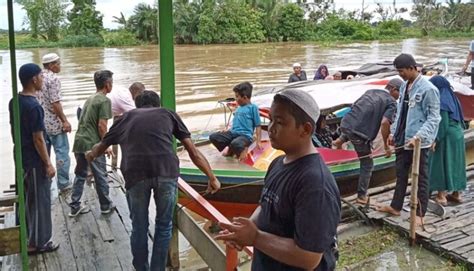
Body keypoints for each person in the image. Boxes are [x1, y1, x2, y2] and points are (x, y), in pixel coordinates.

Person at [86, 90, 221, 270]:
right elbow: (192, 151)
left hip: (135, 175)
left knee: (139, 226)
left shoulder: (125, 118)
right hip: (166, 172)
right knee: (164, 226)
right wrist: (212, 177)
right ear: (157, 104)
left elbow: (100, 148)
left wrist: (90, 154)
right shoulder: (168, 114)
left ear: (137, 105)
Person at [216, 89, 341, 270]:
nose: (271, 128)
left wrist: (255, 237)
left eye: (280, 122)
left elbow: (309, 257)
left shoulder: (315, 183)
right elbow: (266, 205)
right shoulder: (277, 163)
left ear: (305, 129)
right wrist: (246, 228)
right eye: (271, 120)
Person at [377, 54, 441, 225]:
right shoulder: (405, 86)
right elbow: (400, 112)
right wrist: (393, 132)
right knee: (401, 174)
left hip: (419, 141)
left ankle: (420, 213)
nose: (401, 75)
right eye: (398, 72)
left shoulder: (428, 89)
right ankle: (396, 206)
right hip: (402, 139)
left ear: (413, 68)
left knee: (421, 177)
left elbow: (434, 118)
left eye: (402, 71)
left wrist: (418, 137)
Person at [9, 63, 59, 254]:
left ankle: (27, 235)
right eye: (41, 76)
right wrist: (48, 163)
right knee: (40, 200)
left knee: (27, 198)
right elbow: (38, 138)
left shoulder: (15, 101)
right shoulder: (34, 107)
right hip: (35, 161)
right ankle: (39, 242)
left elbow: (15, 131)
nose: (43, 79)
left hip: (21, 157)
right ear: (34, 79)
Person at [332, 78, 403, 204]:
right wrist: (386, 146)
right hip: (360, 134)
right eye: (399, 93)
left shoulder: (370, 91)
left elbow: (355, 108)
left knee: (353, 130)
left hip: (346, 123)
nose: (399, 97)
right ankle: (361, 196)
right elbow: (385, 123)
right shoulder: (391, 102)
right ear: (393, 89)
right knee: (367, 163)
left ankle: (339, 141)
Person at [69, 70, 115, 217]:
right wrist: (105, 145)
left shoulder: (89, 98)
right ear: (107, 85)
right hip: (91, 144)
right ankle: (106, 205)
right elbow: (102, 126)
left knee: (80, 173)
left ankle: (74, 205)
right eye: (111, 83)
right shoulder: (104, 100)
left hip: (79, 141)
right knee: (101, 174)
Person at [36, 53, 72, 194]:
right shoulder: (53, 78)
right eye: (58, 63)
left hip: (40, 124)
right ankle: (63, 184)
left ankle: (45, 182)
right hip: (54, 124)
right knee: (62, 153)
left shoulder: (38, 77)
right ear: (51, 65)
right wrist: (65, 120)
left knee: (44, 153)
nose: (60, 65)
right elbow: (55, 103)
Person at [428, 76, 466, 205]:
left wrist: (435, 139)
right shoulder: (454, 98)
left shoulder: (441, 101)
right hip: (458, 134)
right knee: (457, 164)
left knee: (441, 164)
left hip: (447, 135)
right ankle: (456, 194)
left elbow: (442, 124)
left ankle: (441, 196)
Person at [209, 82, 262, 161]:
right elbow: (235, 121)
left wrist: (258, 141)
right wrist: (227, 130)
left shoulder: (253, 108)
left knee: (236, 143)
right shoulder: (239, 108)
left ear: (244, 97)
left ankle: (244, 148)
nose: (235, 99)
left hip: (245, 136)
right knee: (214, 137)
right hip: (233, 133)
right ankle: (230, 150)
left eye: (237, 97)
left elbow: (258, 125)